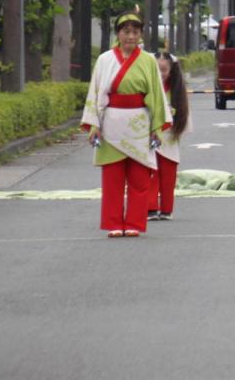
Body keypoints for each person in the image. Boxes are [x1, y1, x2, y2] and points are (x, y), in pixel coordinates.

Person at [80, 12, 170, 238]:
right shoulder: (105, 60)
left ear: (140, 35)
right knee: (112, 177)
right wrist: (94, 124)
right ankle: (113, 223)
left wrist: (156, 127)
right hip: (111, 121)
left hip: (139, 120)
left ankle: (135, 222)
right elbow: (96, 92)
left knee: (140, 178)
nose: (130, 36)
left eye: (135, 32)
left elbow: (157, 94)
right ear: (118, 34)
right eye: (125, 31)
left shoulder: (148, 60)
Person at [147, 51, 190, 221]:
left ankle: (166, 208)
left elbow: (183, 113)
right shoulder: (148, 85)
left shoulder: (176, 90)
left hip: (169, 134)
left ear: (171, 70)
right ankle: (150, 207)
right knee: (151, 172)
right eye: (157, 69)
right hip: (150, 134)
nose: (160, 74)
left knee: (168, 172)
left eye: (164, 70)